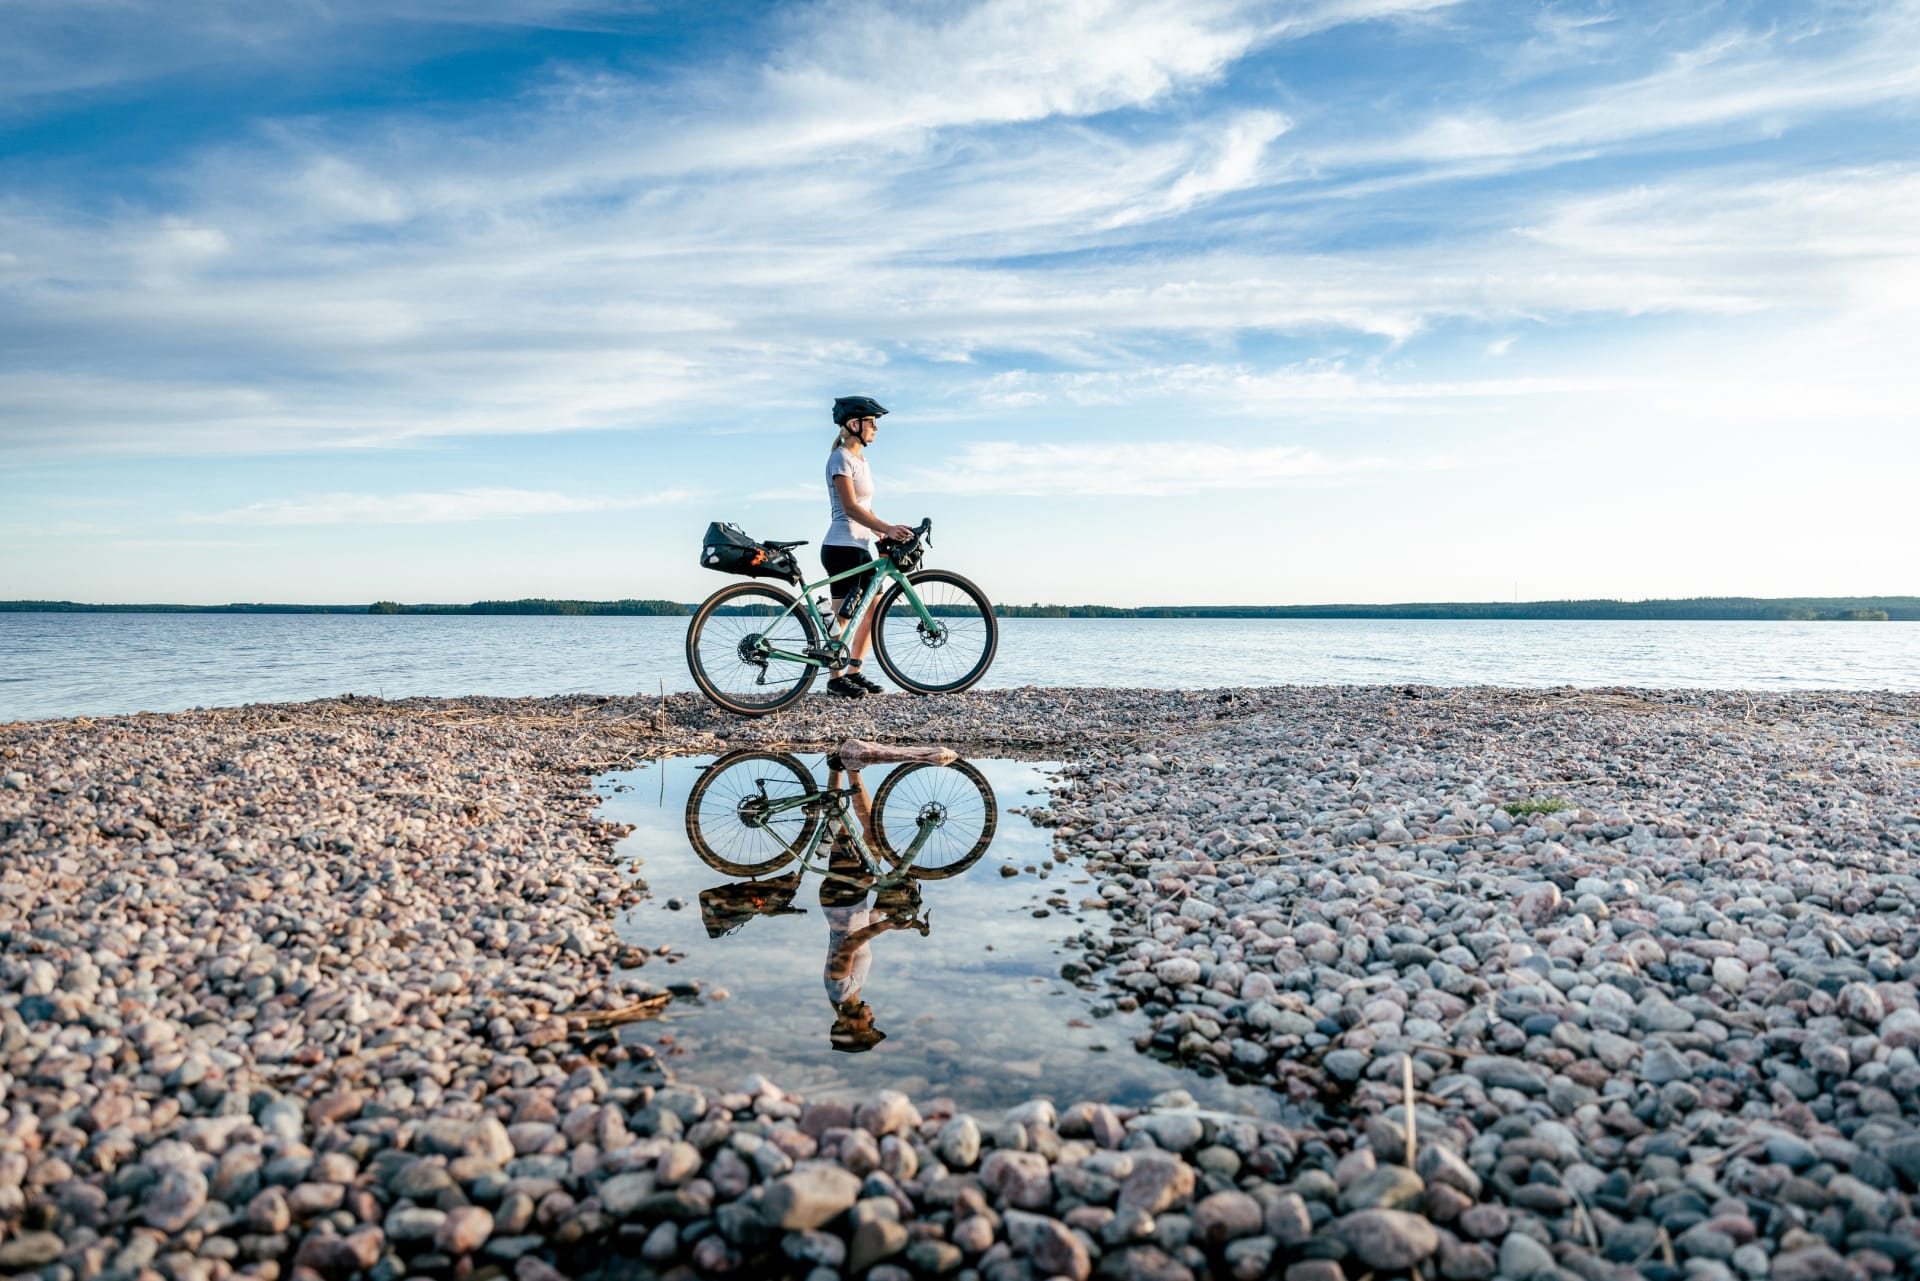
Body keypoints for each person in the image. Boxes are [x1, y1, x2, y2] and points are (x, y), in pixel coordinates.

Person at [822, 395, 915, 699]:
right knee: (843, 617)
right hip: (842, 546)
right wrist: (885, 527)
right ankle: (835, 680)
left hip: (861, 545)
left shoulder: (862, 460)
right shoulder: (840, 458)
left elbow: (865, 508)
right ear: (854, 424)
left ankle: (854, 672)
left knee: (872, 613)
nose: (875, 427)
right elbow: (849, 506)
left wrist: (882, 532)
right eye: (871, 421)